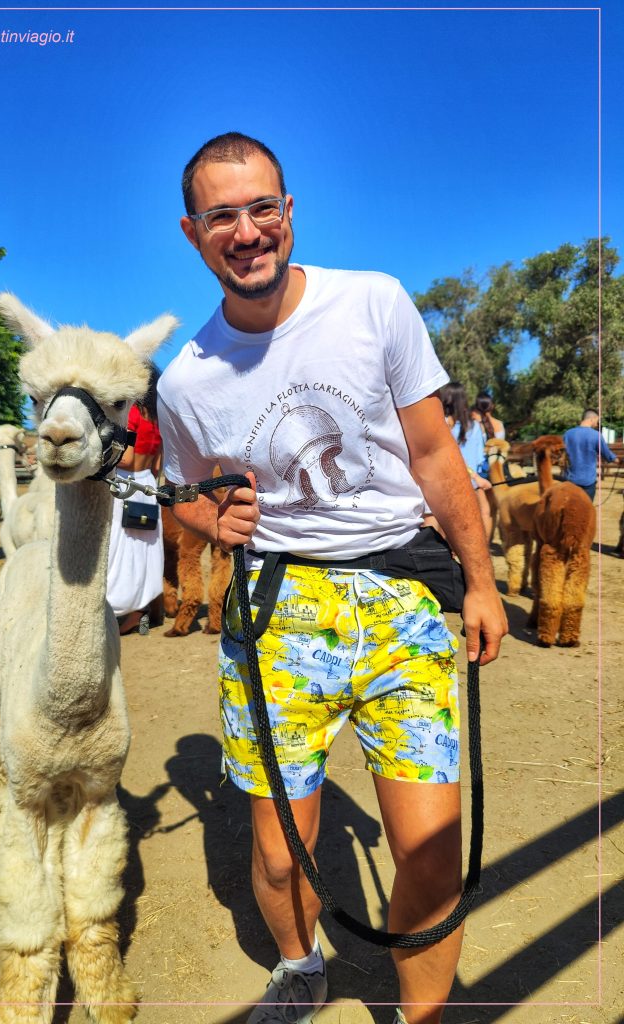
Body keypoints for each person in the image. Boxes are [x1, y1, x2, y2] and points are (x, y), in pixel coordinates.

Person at [157, 133, 507, 1024]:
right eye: (223, 216)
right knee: (280, 855)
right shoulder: (188, 379)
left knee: (428, 848)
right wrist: (206, 516)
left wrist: (482, 580)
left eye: (262, 208)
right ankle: (299, 964)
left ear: (288, 213)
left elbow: (434, 455)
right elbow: (187, 499)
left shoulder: (373, 302)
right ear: (193, 232)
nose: (247, 231)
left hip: (403, 598)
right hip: (280, 612)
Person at [106, 369, 164, 636]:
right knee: (144, 552)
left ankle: (114, 609)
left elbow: (126, 459)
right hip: (148, 484)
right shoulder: (158, 415)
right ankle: (140, 612)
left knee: (119, 549)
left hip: (125, 483)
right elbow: (159, 464)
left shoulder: (132, 413)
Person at [440, 382, 493, 542]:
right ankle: (483, 549)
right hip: (473, 481)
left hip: (446, 483)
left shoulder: (441, 424)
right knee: (484, 512)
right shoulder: (474, 426)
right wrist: (478, 478)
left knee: (445, 520)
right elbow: (478, 458)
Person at [563, 409, 619, 501]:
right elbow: (608, 455)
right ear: (592, 419)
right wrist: (619, 461)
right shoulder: (596, 435)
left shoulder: (567, 434)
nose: (598, 423)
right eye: (598, 420)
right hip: (587, 483)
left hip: (569, 481)